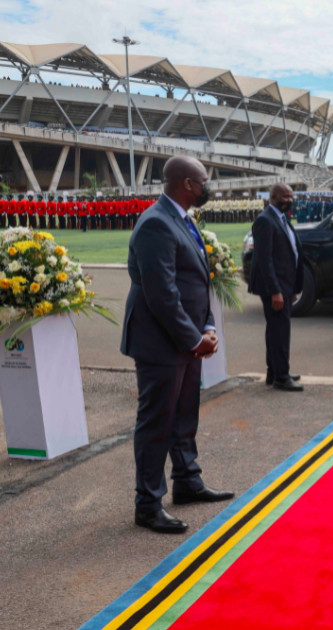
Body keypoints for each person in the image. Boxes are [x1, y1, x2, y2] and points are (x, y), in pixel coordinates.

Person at [120, 155, 233, 535]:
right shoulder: (156, 223)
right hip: (160, 342)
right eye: (204, 180)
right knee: (157, 422)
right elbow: (162, 295)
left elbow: (196, 281)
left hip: (186, 339)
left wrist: (208, 327)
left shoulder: (181, 219)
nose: (207, 186)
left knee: (184, 416)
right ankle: (148, 504)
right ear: (187, 184)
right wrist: (193, 338)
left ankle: (187, 481)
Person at [248, 183, 305, 392]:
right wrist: (275, 291)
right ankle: (282, 376)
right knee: (280, 331)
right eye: (285, 197)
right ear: (272, 197)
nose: (289, 200)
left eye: (291, 197)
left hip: (285, 285)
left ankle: (274, 371)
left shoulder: (281, 218)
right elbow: (265, 260)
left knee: (275, 329)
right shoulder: (265, 220)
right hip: (275, 287)